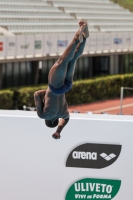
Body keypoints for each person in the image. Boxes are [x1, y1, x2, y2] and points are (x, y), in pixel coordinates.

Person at [34, 20, 89, 139]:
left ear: (55, 121)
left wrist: (59, 131)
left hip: (66, 87)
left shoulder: (63, 114)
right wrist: (47, 91)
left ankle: (84, 38)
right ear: (48, 120)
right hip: (55, 87)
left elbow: (66, 119)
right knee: (62, 61)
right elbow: (36, 94)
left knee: (73, 59)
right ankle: (78, 34)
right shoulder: (43, 115)